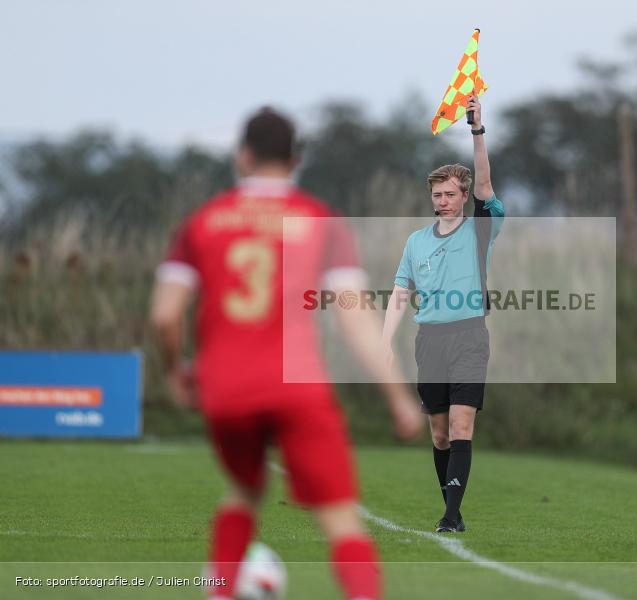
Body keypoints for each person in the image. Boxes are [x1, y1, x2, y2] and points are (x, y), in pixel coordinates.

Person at [149, 106, 422, 600]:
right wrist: (398, 396)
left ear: (243, 156)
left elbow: (165, 316)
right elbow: (355, 317)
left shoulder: (202, 221)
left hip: (225, 388)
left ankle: (221, 591)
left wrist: (175, 371)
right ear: (296, 160)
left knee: (243, 493)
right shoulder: (321, 221)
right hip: (297, 391)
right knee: (341, 520)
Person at [381, 93, 504, 533]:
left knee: (461, 423)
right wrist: (384, 341)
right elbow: (399, 291)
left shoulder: (480, 229)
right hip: (428, 341)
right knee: (438, 434)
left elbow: (487, 185)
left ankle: (451, 516)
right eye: (437, 194)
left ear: (464, 196)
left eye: (451, 194)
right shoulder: (416, 242)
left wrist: (476, 129)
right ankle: (452, 505)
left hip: (469, 336)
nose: (443, 201)